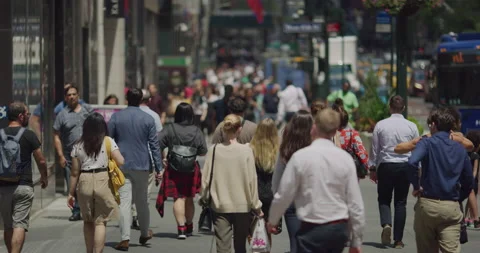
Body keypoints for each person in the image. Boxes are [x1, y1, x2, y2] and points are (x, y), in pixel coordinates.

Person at [268, 108, 365, 253]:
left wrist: (273, 219)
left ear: (314, 128)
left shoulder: (300, 157)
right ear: (335, 131)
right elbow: (355, 203)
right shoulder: (345, 159)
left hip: (311, 227)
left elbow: (283, 193)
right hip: (337, 227)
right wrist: (356, 240)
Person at [408, 107, 473, 253]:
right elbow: (469, 180)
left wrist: (416, 186)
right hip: (451, 206)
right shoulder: (460, 149)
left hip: (427, 205)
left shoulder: (426, 143)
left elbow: (412, 162)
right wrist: (459, 198)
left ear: (434, 125)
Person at [108, 88, 163, 251]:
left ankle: (125, 238)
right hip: (142, 164)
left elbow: (109, 141)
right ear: (141, 100)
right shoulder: (148, 118)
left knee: (124, 201)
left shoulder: (116, 117)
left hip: (122, 164)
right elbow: (154, 145)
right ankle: (144, 232)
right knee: (142, 201)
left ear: (126, 99)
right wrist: (159, 167)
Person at [200, 114, 263, 253]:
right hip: (243, 205)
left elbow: (205, 179)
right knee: (240, 246)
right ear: (239, 129)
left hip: (220, 204)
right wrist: (256, 206)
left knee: (222, 246)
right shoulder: (247, 151)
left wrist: (203, 198)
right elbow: (252, 180)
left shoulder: (214, 150)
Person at [67, 113, 124, 253]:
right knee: (100, 221)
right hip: (103, 178)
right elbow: (121, 161)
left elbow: (74, 172)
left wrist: (70, 193)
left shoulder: (78, 144)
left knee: (87, 220)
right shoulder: (108, 141)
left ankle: (89, 251)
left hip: (84, 180)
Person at [367, 95, 419, 249]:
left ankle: (386, 224)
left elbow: (374, 149)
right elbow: (417, 148)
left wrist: (372, 168)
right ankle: (398, 240)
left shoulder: (381, 125)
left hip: (386, 166)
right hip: (405, 166)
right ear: (403, 108)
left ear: (390, 107)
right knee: (400, 202)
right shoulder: (411, 126)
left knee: (384, 198)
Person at [0, 102, 48, 253]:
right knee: (19, 224)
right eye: (27, 114)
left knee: (8, 226)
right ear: (20, 116)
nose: (28, 116)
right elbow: (41, 160)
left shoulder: (0, 134)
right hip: (23, 185)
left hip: (3, 188)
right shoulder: (28, 135)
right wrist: (44, 177)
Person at [156, 103, 207, 239]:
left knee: (178, 197)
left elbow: (157, 143)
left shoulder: (170, 128)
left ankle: (181, 228)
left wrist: (163, 158)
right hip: (191, 169)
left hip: (174, 168)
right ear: (191, 115)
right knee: (189, 197)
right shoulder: (196, 130)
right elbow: (203, 152)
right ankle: (189, 226)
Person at [271, 110, 313, 253]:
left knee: (295, 243)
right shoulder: (315, 146)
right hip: (312, 200)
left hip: (291, 201)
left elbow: (278, 175)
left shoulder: (287, 147)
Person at [53, 85, 93, 221]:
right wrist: (60, 156)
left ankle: (89, 208)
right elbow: (56, 136)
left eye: (74, 94)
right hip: (70, 157)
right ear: (65, 98)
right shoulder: (62, 115)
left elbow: (98, 129)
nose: (71, 97)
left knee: (88, 183)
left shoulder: (88, 111)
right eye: (69, 95)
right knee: (73, 184)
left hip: (89, 155)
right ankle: (76, 210)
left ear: (78, 95)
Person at [249, 118, 280, 252]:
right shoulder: (279, 151)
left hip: (254, 194)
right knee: (267, 231)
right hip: (272, 196)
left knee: (252, 229)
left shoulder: (250, 149)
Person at [394, 106, 474, 154]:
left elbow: (398, 149)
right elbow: (470, 146)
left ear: (433, 125)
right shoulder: (454, 138)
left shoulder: (425, 139)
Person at [332, 104, 369, 179]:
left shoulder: (330, 133)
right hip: (349, 168)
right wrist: (367, 166)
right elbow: (361, 151)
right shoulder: (352, 133)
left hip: (333, 168)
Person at [464, 130, 480, 228]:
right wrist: (473, 178)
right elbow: (476, 170)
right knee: (472, 199)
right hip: (472, 180)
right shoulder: (475, 155)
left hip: (468, 179)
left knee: (467, 200)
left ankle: (467, 218)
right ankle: (472, 218)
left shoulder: (465, 153)